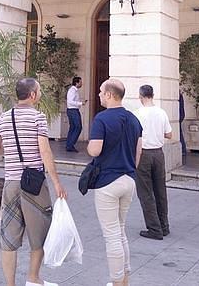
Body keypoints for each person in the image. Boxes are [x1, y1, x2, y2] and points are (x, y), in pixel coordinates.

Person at [0, 77, 67, 286]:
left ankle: (10, 284)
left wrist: (13, 150)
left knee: (8, 236)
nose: (40, 94)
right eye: (39, 91)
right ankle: (33, 278)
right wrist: (57, 182)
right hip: (34, 185)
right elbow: (44, 151)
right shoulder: (38, 118)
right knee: (39, 233)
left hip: (11, 183)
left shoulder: (3, 118)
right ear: (32, 95)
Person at [87, 78, 143, 286]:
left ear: (110, 94)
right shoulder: (133, 119)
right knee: (120, 232)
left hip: (108, 182)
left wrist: (89, 149)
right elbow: (139, 151)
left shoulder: (102, 119)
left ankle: (117, 281)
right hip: (128, 179)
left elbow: (95, 150)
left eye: (101, 92)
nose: (99, 95)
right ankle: (124, 280)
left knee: (111, 236)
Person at [134, 84, 172, 240]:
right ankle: (164, 226)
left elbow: (134, 137)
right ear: (153, 95)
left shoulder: (137, 114)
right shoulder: (161, 112)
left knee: (145, 192)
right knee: (160, 190)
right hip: (158, 153)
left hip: (144, 154)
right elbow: (169, 134)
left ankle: (154, 228)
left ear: (141, 97)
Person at [66, 76, 87, 152]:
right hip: (73, 111)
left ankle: (69, 145)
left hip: (72, 110)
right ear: (77, 82)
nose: (81, 84)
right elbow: (70, 101)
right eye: (80, 82)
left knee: (73, 128)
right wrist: (81, 103)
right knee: (78, 127)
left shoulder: (74, 90)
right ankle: (70, 144)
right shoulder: (72, 90)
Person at [179, 90, 187, 164]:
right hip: (180, 116)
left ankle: (183, 150)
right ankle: (183, 150)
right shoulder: (180, 95)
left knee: (179, 133)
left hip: (179, 116)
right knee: (180, 133)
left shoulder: (179, 95)